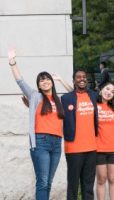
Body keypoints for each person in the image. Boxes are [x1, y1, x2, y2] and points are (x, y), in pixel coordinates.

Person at [7, 49, 64, 200]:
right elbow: (20, 81)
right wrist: (12, 62)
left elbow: (76, 96)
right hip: (41, 142)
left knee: (49, 182)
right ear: (38, 85)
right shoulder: (35, 96)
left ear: (51, 81)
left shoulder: (59, 100)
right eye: (41, 80)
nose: (45, 81)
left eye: (47, 79)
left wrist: (61, 80)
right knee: (43, 182)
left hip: (57, 143)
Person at [62, 69, 99, 200]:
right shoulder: (66, 98)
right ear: (73, 81)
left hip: (91, 147)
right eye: (78, 77)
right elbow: (51, 105)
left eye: (84, 76)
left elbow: (109, 94)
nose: (82, 79)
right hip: (73, 148)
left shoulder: (93, 96)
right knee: (73, 184)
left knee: (88, 185)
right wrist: (32, 104)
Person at [95, 81, 114, 200]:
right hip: (98, 148)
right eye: (107, 89)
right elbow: (79, 95)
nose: (109, 92)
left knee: (113, 179)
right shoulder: (93, 104)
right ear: (101, 90)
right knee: (101, 179)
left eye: (112, 91)